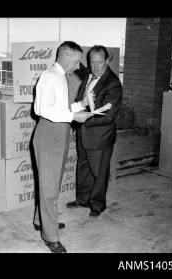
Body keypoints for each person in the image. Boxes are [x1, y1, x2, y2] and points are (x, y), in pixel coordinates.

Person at [33, 41, 93, 253]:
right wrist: (73, 116)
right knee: (49, 188)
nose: (78, 66)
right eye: (76, 61)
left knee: (51, 184)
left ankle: (41, 221)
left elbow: (62, 108)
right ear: (66, 57)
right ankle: (50, 236)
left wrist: (82, 105)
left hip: (60, 133)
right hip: (49, 134)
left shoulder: (61, 77)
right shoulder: (49, 76)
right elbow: (42, 109)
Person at [66, 45, 123, 218]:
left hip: (99, 136)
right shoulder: (89, 74)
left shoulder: (113, 84)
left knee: (99, 172)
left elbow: (109, 116)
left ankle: (98, 205)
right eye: (92, 62)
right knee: (83, 167)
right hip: (84, 133)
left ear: (107, 61)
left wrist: (83, 120)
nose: (96, 67)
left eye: (100, 62)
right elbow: (80, 69)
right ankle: (82, 199)